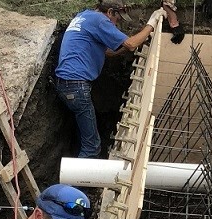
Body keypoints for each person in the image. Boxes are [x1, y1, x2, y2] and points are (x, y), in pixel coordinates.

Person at [54, 0, 177, 157]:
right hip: (76, 86)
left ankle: (77, 170)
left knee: (85, 136)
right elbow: (131, 44)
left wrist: (130, 44)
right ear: (110, 12)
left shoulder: (85, 16)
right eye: (117, 19)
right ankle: (77, 181)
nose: (116, 24)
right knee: (92, 147)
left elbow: (108, 52)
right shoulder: (100, 20)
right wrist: (151, 24)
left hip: (67, 84)